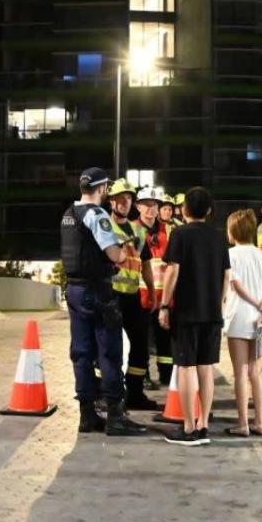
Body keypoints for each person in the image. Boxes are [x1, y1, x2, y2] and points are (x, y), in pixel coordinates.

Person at [61, 167, 147, 436]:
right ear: (101, 189)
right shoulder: (96, 215)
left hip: (74, 290)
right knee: (109, 351)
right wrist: (124, 250)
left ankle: (87, 415)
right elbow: (114, 255)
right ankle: (115, 417)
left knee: (82, 353)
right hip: (98, 291)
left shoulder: (68, 214)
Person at [159, 186, 230, 446]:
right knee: (206, 368)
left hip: (187, 312)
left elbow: (172, 271)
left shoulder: (179, 234)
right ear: (209, 211)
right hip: (212, 312)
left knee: (186, 367)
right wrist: (219, 305)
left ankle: (188, 427)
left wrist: (164, 305)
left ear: (184, 209)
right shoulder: (219, 236)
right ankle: (204, 425)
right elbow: (226, 276)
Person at [106, 178, 157, 410]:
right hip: (111, 294)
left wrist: (152, 291)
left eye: (128, 198)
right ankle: (104, 394)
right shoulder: (104, 227)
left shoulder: (138, 230)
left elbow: (145, 263)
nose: (124, 202)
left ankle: (135, 393)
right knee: (108, 346)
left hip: (134, 295)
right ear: (111, 201)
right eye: (120, 198)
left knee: (140, 346)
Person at [224, 209, 262, 436]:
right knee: (255, 372)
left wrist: (256, 303)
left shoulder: (231, 255)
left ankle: (243, 423)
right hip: (258, 319)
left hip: (238, 317)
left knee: (240, 372)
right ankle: (259, 422)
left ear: (233, 231)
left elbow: (236, 286)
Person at [136, 187, 174, 386]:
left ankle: (167, 376)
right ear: (139, 206)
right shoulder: (133, 229)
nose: (151, 209)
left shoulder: (168, 230)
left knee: (165, 339)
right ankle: (143, 377)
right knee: (141, 339)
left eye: (155, 205)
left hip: (165, 295)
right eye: (147, 205)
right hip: (139, 295)